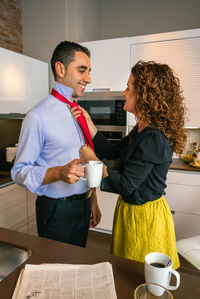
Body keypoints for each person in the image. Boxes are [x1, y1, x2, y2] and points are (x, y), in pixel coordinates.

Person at [71, 60, 187, 268]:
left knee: (138, 273)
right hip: (130, 210)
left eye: (128, 88)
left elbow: (126, 185)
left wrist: (93, 160)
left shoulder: (154, 138)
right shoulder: (141, 129)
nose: (124, 93)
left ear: (145, 95)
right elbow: (114, 152)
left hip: (145, 217)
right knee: (126, 268)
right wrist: (89, 123)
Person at [11, 41, 101, 247]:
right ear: (60, 69)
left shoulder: (77, 111)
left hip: (84, 204)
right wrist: (58, 173)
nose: (88, 78)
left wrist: (93, 199)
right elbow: (18, 171)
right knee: (57, 271)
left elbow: (86, 162)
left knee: (77, 266)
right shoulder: (37, 116)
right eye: (82, 70)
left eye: (88, 71)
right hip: (57, 211)